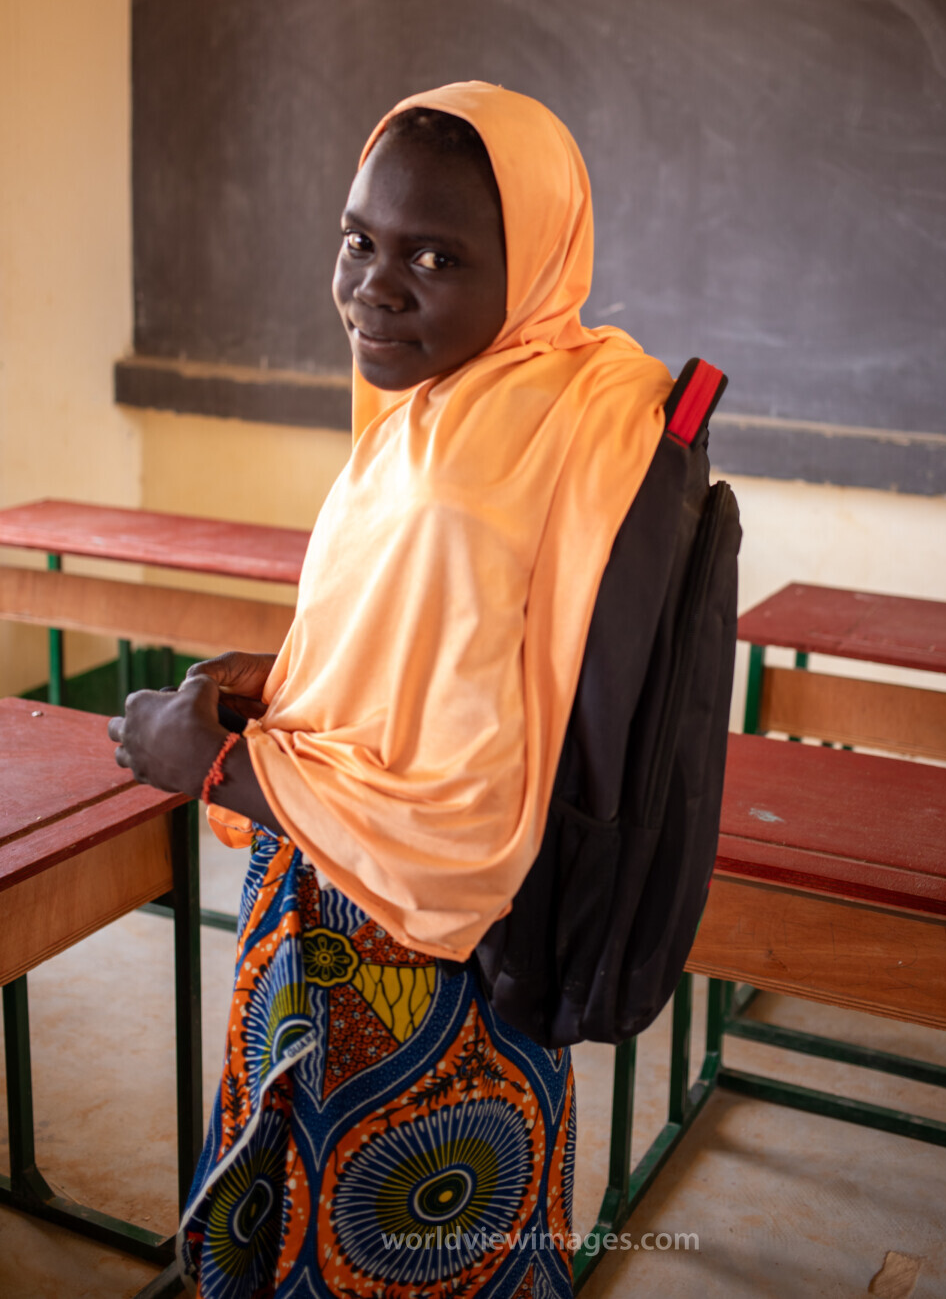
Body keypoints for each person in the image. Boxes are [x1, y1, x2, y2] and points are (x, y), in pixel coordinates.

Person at [109, 81, 669, 1296]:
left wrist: (204, 760)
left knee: (370, 1242)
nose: (376, 283)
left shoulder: (460, 475)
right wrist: (292, 676)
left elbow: (451, 806)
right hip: (429, 943)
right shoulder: (506, 403)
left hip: (395, 965)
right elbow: (470, 665)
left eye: (437, 256)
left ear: (529, 267)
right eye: (360, 240)